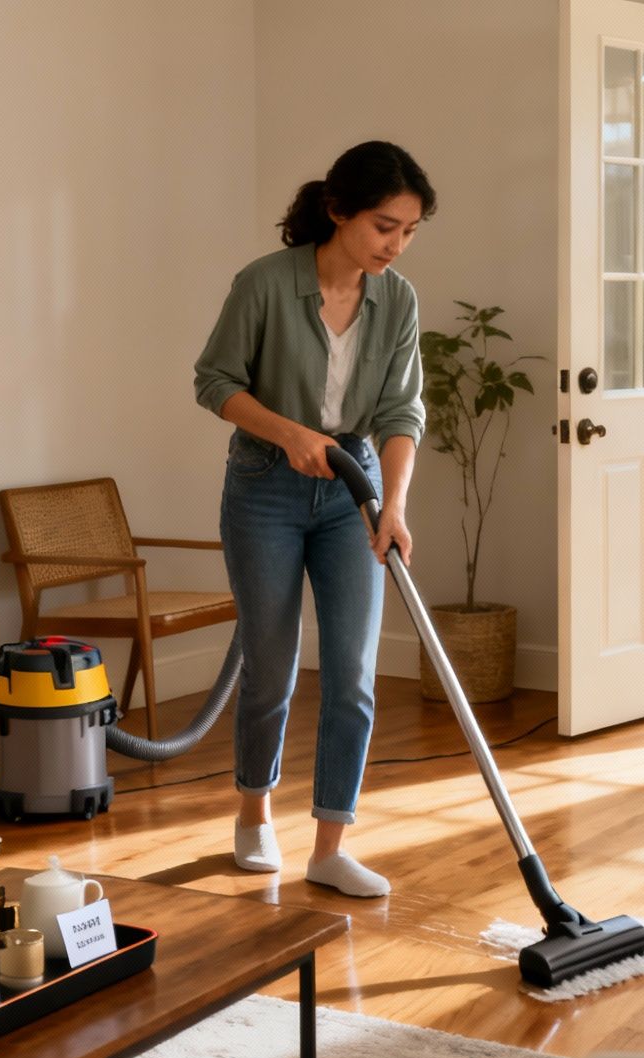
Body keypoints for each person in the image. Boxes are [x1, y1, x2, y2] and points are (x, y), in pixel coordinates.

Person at [193, 141, 434, 897]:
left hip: (351, 490)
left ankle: (331, 844)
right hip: (264, 485)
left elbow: (401, 410)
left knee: (355, 675)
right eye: (383, 227)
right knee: (270, 667)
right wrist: (290, 433)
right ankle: (254, 810)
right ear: (337, 212)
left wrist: (391, 506)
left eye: (408, 232)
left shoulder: (397, 300)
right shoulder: (264, 284)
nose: (395, 245)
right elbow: (215, 381)